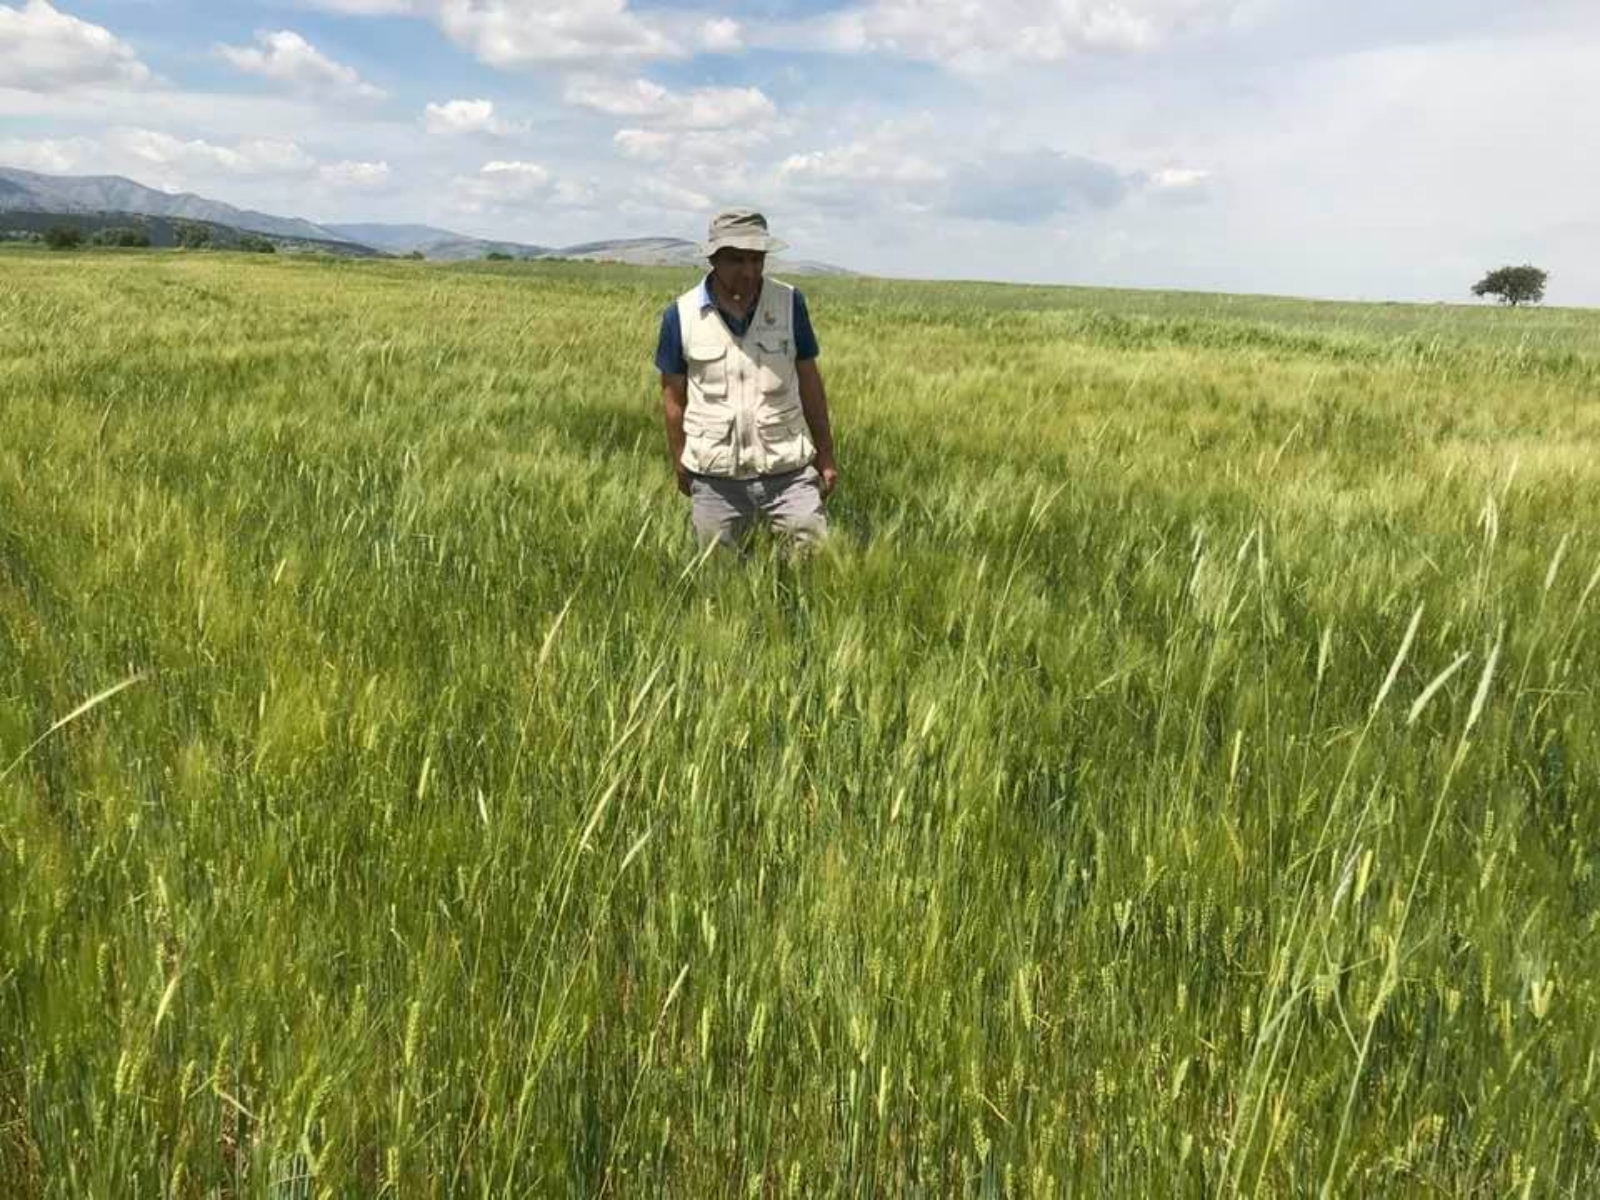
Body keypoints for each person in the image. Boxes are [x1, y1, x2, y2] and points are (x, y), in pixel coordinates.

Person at [655, 208, 839, 552]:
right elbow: (673, 398)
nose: (749, 271)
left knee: (816, 567)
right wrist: (680, 460)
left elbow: (810, 383)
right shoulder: (680, 315)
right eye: (737, 260)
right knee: (720, 585)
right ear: (714, 259)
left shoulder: (789, 303)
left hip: (789, 472)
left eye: (757, 259)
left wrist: (825, 454)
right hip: (715, 478)